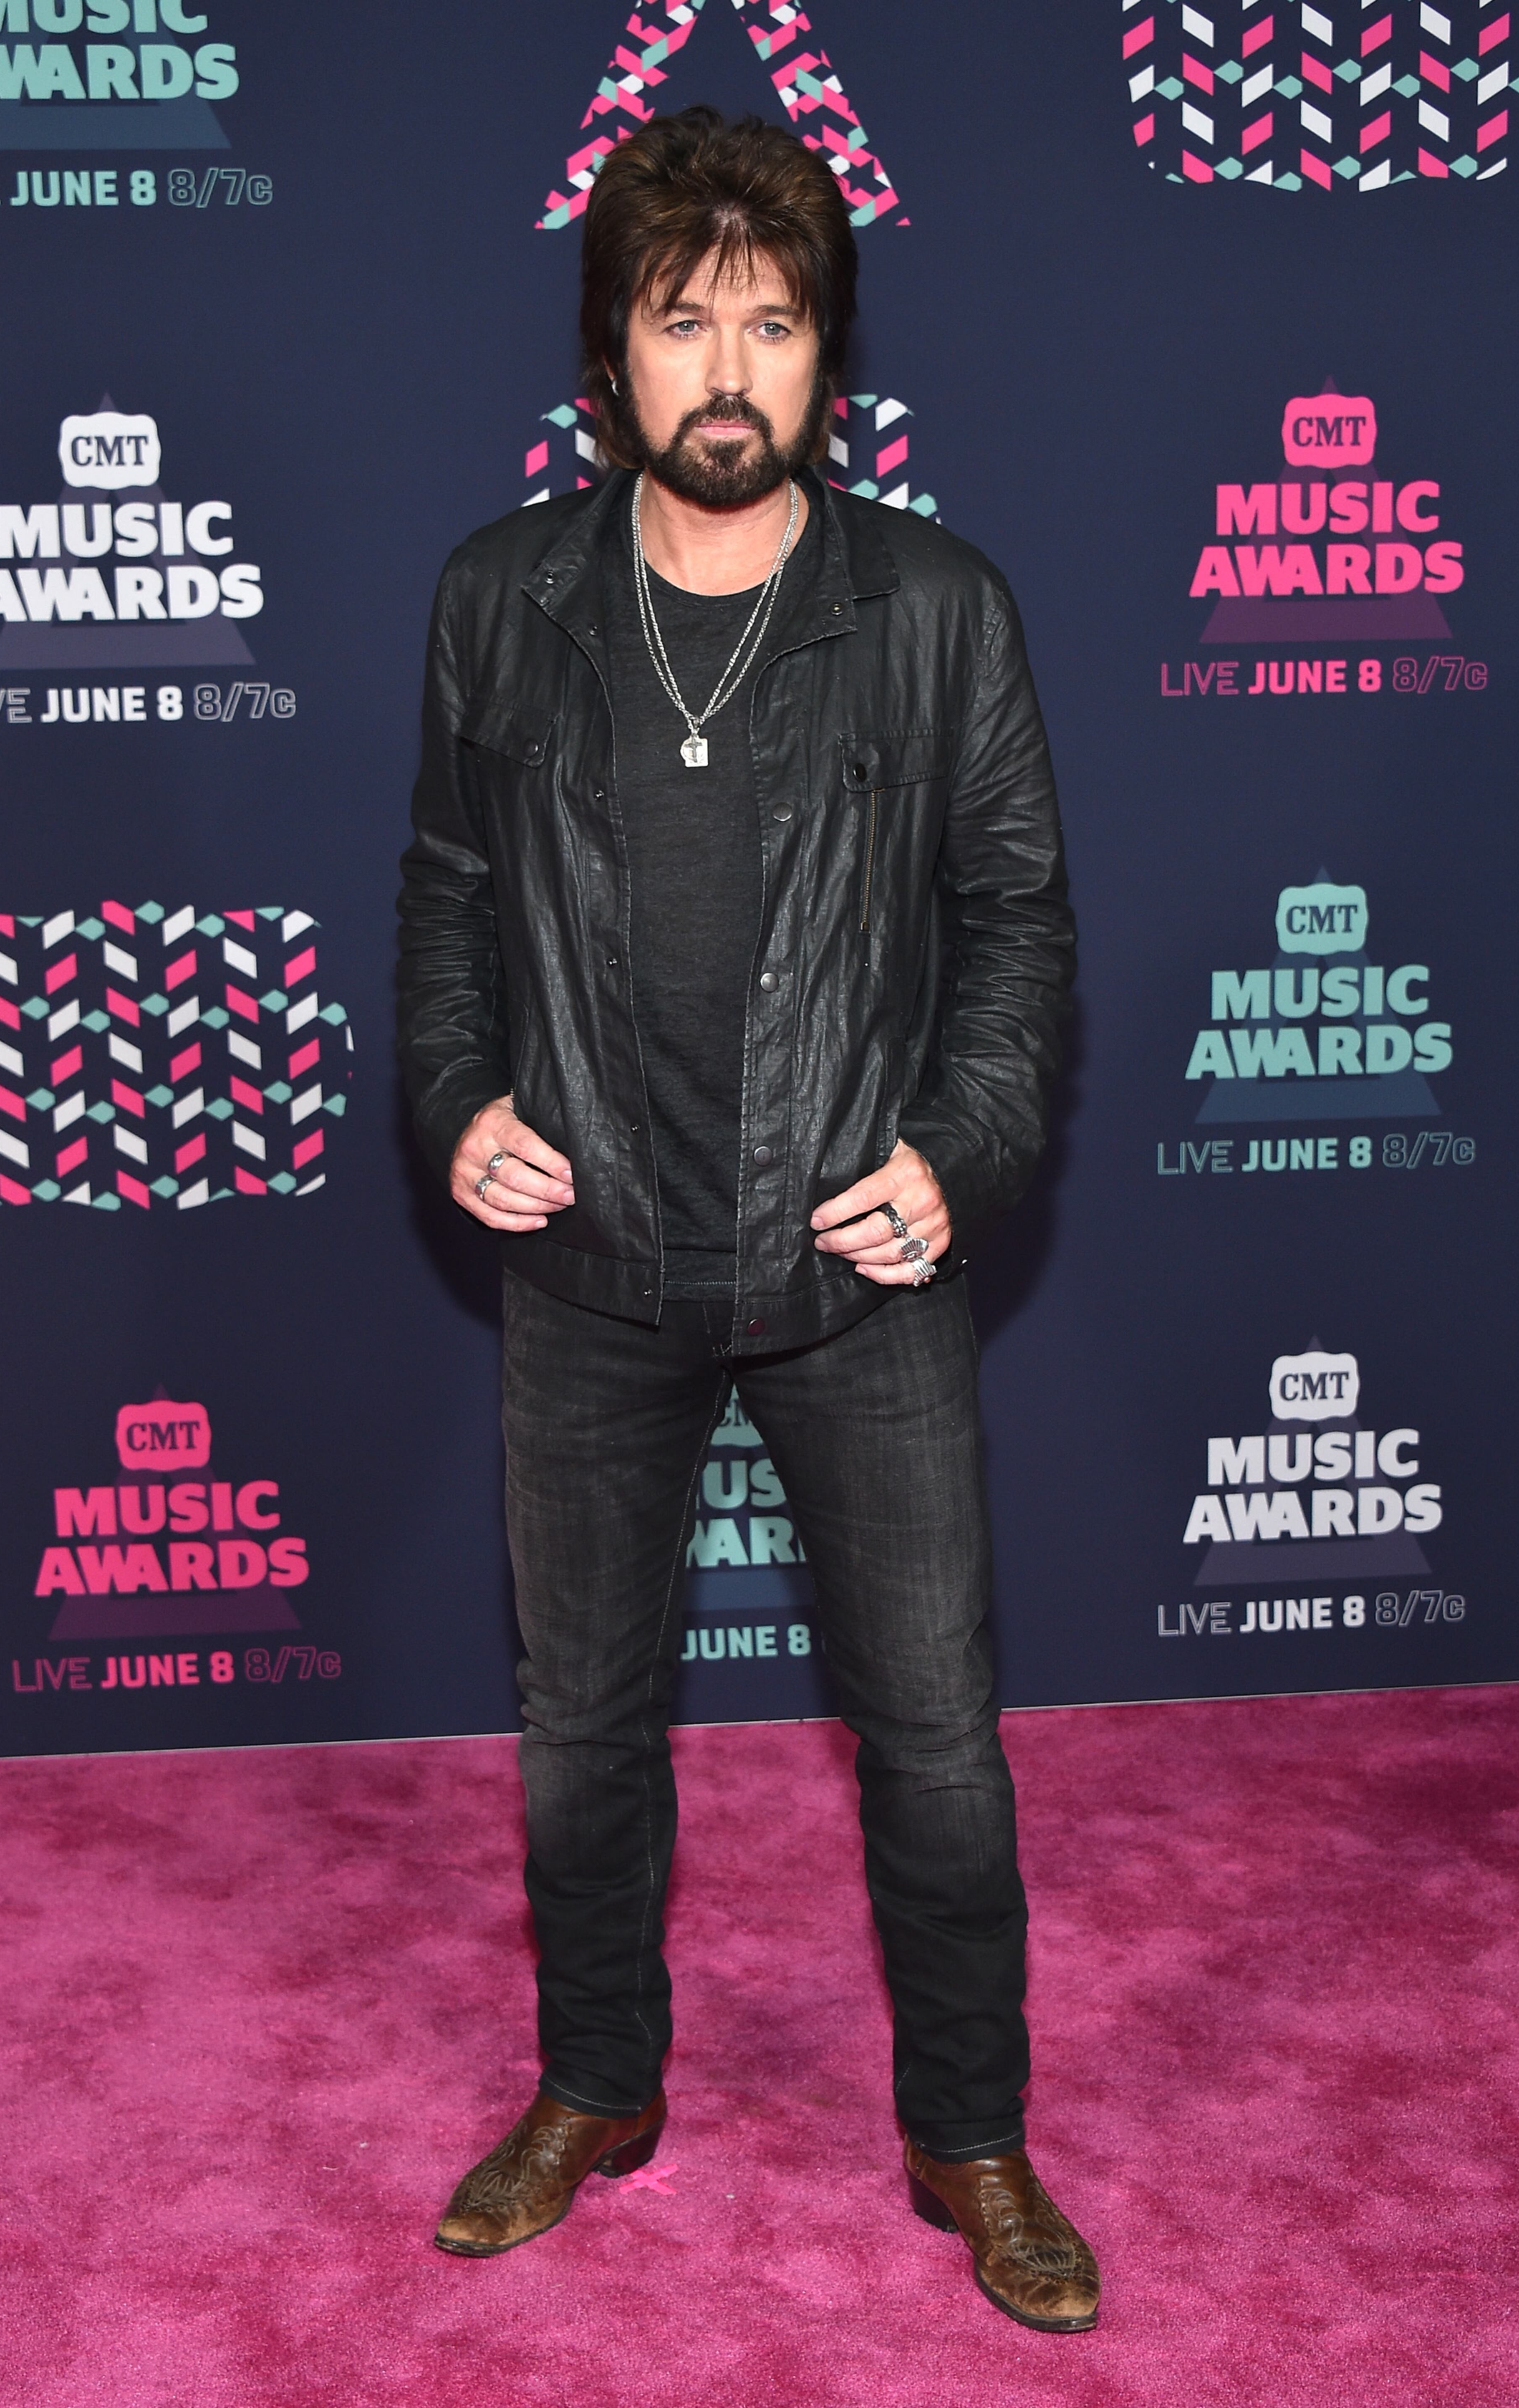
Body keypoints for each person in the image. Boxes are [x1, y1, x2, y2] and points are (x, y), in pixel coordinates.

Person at [396, 105, 1093, 2333]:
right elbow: (441, 903)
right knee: (585, 1730)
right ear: (609, 358)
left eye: (771, 325)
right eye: (681, 321)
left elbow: (1018, 928)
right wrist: (457, 1098)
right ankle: (597, 2088)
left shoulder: (938, 610)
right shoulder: (500, 598)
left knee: (934, 1737)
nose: (727, 369)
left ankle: (972, 2138)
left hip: (855, 1264)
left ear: (829, 362)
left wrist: (958, 1156)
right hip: (591, 1265)